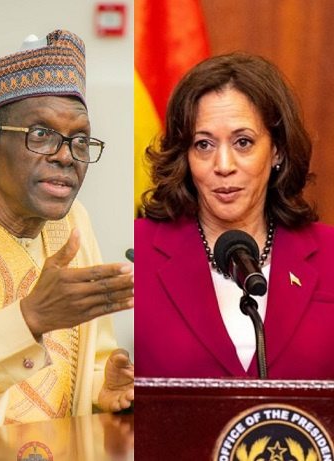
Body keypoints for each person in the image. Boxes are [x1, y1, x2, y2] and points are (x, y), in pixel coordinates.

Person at [0, 29, 134, 435]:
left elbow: (87, 360)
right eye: (41, 135)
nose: (66, 156)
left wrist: (103, 387)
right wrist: (30, 319)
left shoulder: (73, 220)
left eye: (80, 141)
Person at [135, 52, 334, 379]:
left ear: (277, 151)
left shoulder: (329, 252)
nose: (223, 165)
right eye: (203, 144)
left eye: (243, 142)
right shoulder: (135, 252)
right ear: (185, 155)